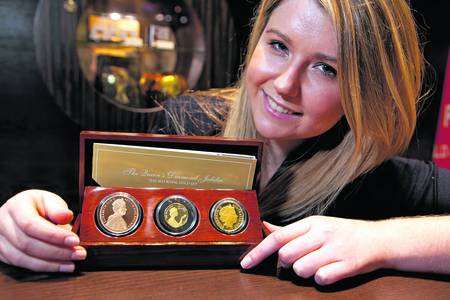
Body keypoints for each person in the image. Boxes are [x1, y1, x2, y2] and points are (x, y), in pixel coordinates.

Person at [0, 0, 449, 285]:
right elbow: (97, 220)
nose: (284, 84)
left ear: (365, 92)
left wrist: (383, 240)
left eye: (326, 69)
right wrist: (31, 219)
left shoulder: (374, 176)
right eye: (278, 46)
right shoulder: (187, 122)